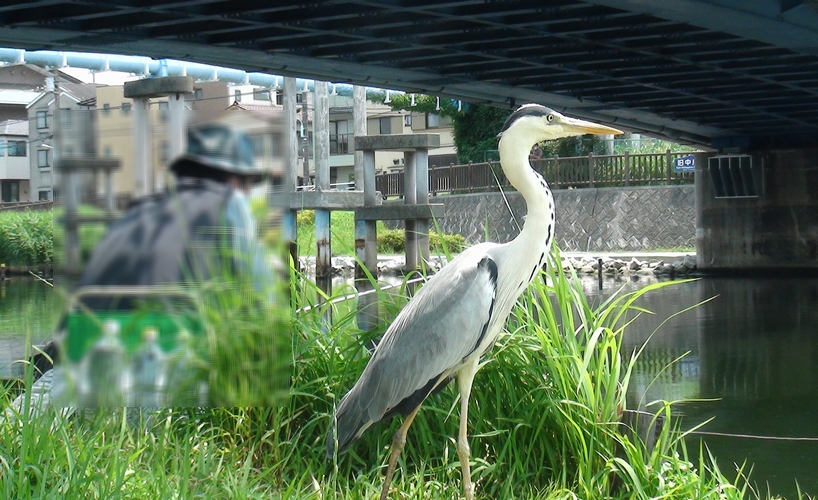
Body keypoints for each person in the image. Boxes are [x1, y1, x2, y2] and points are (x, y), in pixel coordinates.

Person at [34, 121, 278, 377]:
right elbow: (262, 298)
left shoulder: (138, 211)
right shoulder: (231, 203)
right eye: (248, 184)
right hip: (160, 361)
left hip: (80, 356)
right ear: (235, 180)